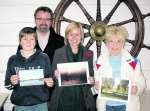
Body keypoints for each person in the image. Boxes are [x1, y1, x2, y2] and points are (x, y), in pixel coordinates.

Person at [94, 26, 146, 111]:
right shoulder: (99, 63)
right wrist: (96, 87)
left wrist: (136, 88)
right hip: (106, 106)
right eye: (111, 41)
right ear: (106, 43)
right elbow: (97, 83)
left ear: (123, 43)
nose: (115, 45)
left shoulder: (132, 62)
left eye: (119, 41)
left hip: (126, 106)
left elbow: (141, 81)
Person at [49, 22, 96, 111]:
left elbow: (91, 78)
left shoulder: (89, 53)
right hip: (63, 99)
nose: (74, 38)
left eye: (77, 34)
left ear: (81, 36)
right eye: (71, 34)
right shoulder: (58, 53)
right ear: (67, 36)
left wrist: (92, 80)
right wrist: (55, 75)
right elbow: (53, 79)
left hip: (82, 100)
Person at [5, 27, 54, 111]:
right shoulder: (13, 59)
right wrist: (12, 82)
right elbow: (7, 85)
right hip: (21, 104)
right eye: (25, 39)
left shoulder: (44, 57)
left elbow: (50, 81)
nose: (28, 42)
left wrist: (49, 82)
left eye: (32, 39)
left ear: (35, 41)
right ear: (20, 42)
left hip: (41, 103)